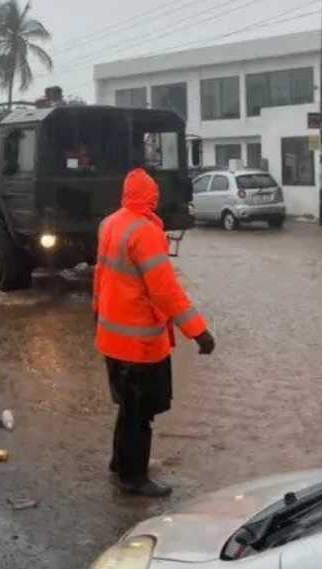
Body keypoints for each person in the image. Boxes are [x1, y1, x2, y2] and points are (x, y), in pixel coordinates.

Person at [94, 168, 215, 498]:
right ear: (151, 197)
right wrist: (199, 332)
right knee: (141, 413)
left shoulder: (110, 224)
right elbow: (166, 292)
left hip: (112, 338)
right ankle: (134, 477)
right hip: (139, 343)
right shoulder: (145, 232)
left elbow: (101, 279)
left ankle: (120, 463)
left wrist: (97, 318)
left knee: (127, 407)